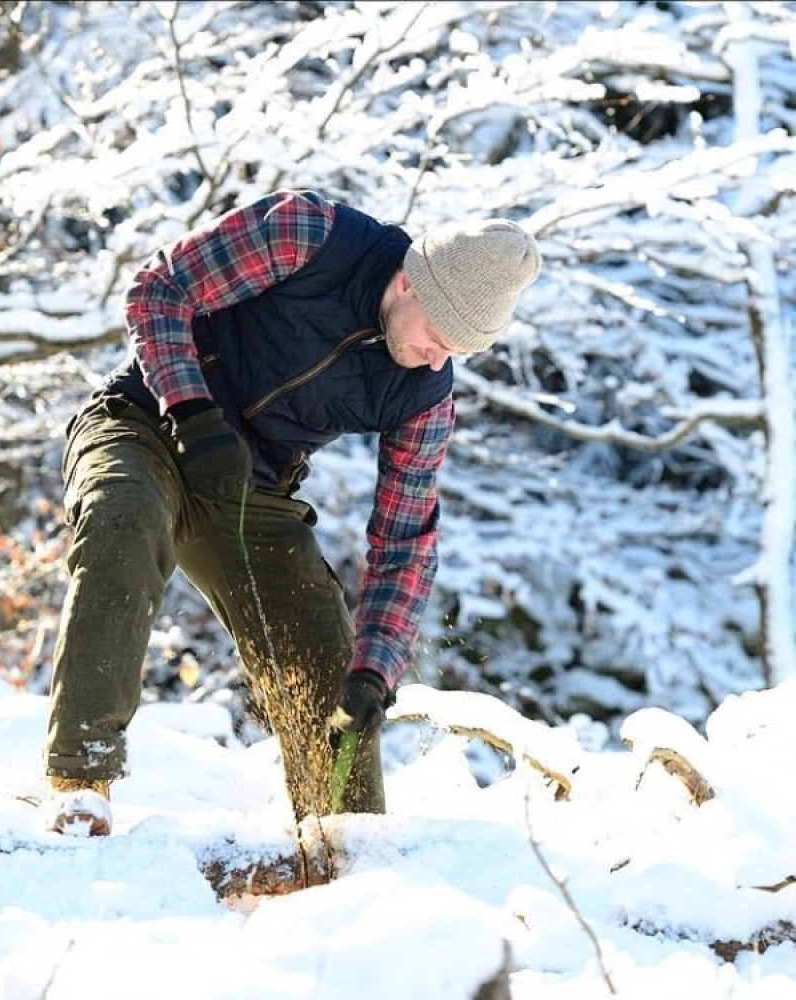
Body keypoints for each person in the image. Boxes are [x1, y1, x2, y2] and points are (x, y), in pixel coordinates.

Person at [43, 189, 541, 836]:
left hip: (248, 491)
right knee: (125, 517)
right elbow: (158, 289)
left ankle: (346, 844)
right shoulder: (310, 235)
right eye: (439, 340)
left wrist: (377, 666)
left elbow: (405, 542)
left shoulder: (424, 396)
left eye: (458, 355)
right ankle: (81, 784)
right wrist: (192, 410)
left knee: (323, 644)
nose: (439, 361)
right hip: (143, 422)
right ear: (409, 284)